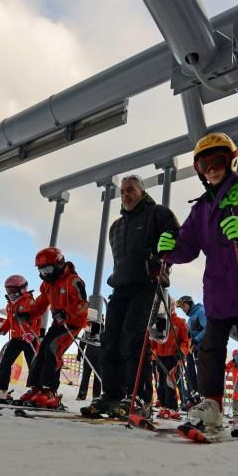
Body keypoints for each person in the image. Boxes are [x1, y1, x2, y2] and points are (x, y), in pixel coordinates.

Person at [159, 132, 238, 441]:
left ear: (230, 162)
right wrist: (170, 248)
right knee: (210, 348)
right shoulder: (200, 208)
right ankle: (211, 403)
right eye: (204, 164)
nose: (211, 168)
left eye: (218, 161)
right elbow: (188, 245)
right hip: (216, 288)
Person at [81, 175, 179, 418]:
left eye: (131, 190)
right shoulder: (116, 226)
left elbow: (176, 239)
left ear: (142, 191)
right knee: (110, 339)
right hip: (121, 288)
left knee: (133, 338)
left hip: (147, 286)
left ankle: (139, 397)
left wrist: (163, 263)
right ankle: (112, 395)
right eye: (123, 191)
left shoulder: (158, 214)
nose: (126, 195)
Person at [18, 247, 89, 409]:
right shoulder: (48, 284)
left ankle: (50, 391)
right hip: (57, 324)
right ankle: (36, 387)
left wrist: (66, 313)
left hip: (72, 324)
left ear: (59, 264)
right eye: (42, 270)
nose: (45, 274)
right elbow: (41, 303)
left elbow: (82, 304)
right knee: (41, 352)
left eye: (48, 269)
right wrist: (29, 315)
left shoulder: (73, 281)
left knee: (52, 349)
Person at [0, 275, 41, 399]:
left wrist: (31, 332)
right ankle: (0, 389)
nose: (10, 293)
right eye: (8, 290)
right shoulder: (10, 305)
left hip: (29, 338)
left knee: (33, 364)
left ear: (22, 289)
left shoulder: (29, 302)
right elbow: (9, 320)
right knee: (5, 362)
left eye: (13, 290)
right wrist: (2, 330)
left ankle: (37, 390)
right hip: (17, 338)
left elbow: (36, 319)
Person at [150, 300, 190, 417]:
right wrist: (151, 352)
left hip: (173, 357)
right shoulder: (159, 321)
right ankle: (162, 405)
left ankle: (171, 407)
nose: (168, 307)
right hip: (159, 356)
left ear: (173, 307)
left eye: (170, 305)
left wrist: (181, 352)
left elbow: (185, 341)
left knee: (170, 382)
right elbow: (153, 340)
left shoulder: (179, 322)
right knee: (159, 382)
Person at [176, 295, 206, 407]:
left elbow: (207, 328)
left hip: (199, 348)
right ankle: (192, 398)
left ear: (189, 303)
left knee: (200, 373)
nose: (183, 309)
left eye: (183, 306)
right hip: (190, 349)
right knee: (189, 374)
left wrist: (196, 341)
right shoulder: (190, 318)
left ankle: (202, 397)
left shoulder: (200, 311)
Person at [76, 313, 103, 401]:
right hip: (89, 355)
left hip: (100, 357)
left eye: (102, 318)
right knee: (85, 375)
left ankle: (96, 396)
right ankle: (82, 394)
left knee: (98, 376)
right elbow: (82, 342)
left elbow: (108, 344)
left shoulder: (105, 330)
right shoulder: (89, 328)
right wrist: (79, 354)